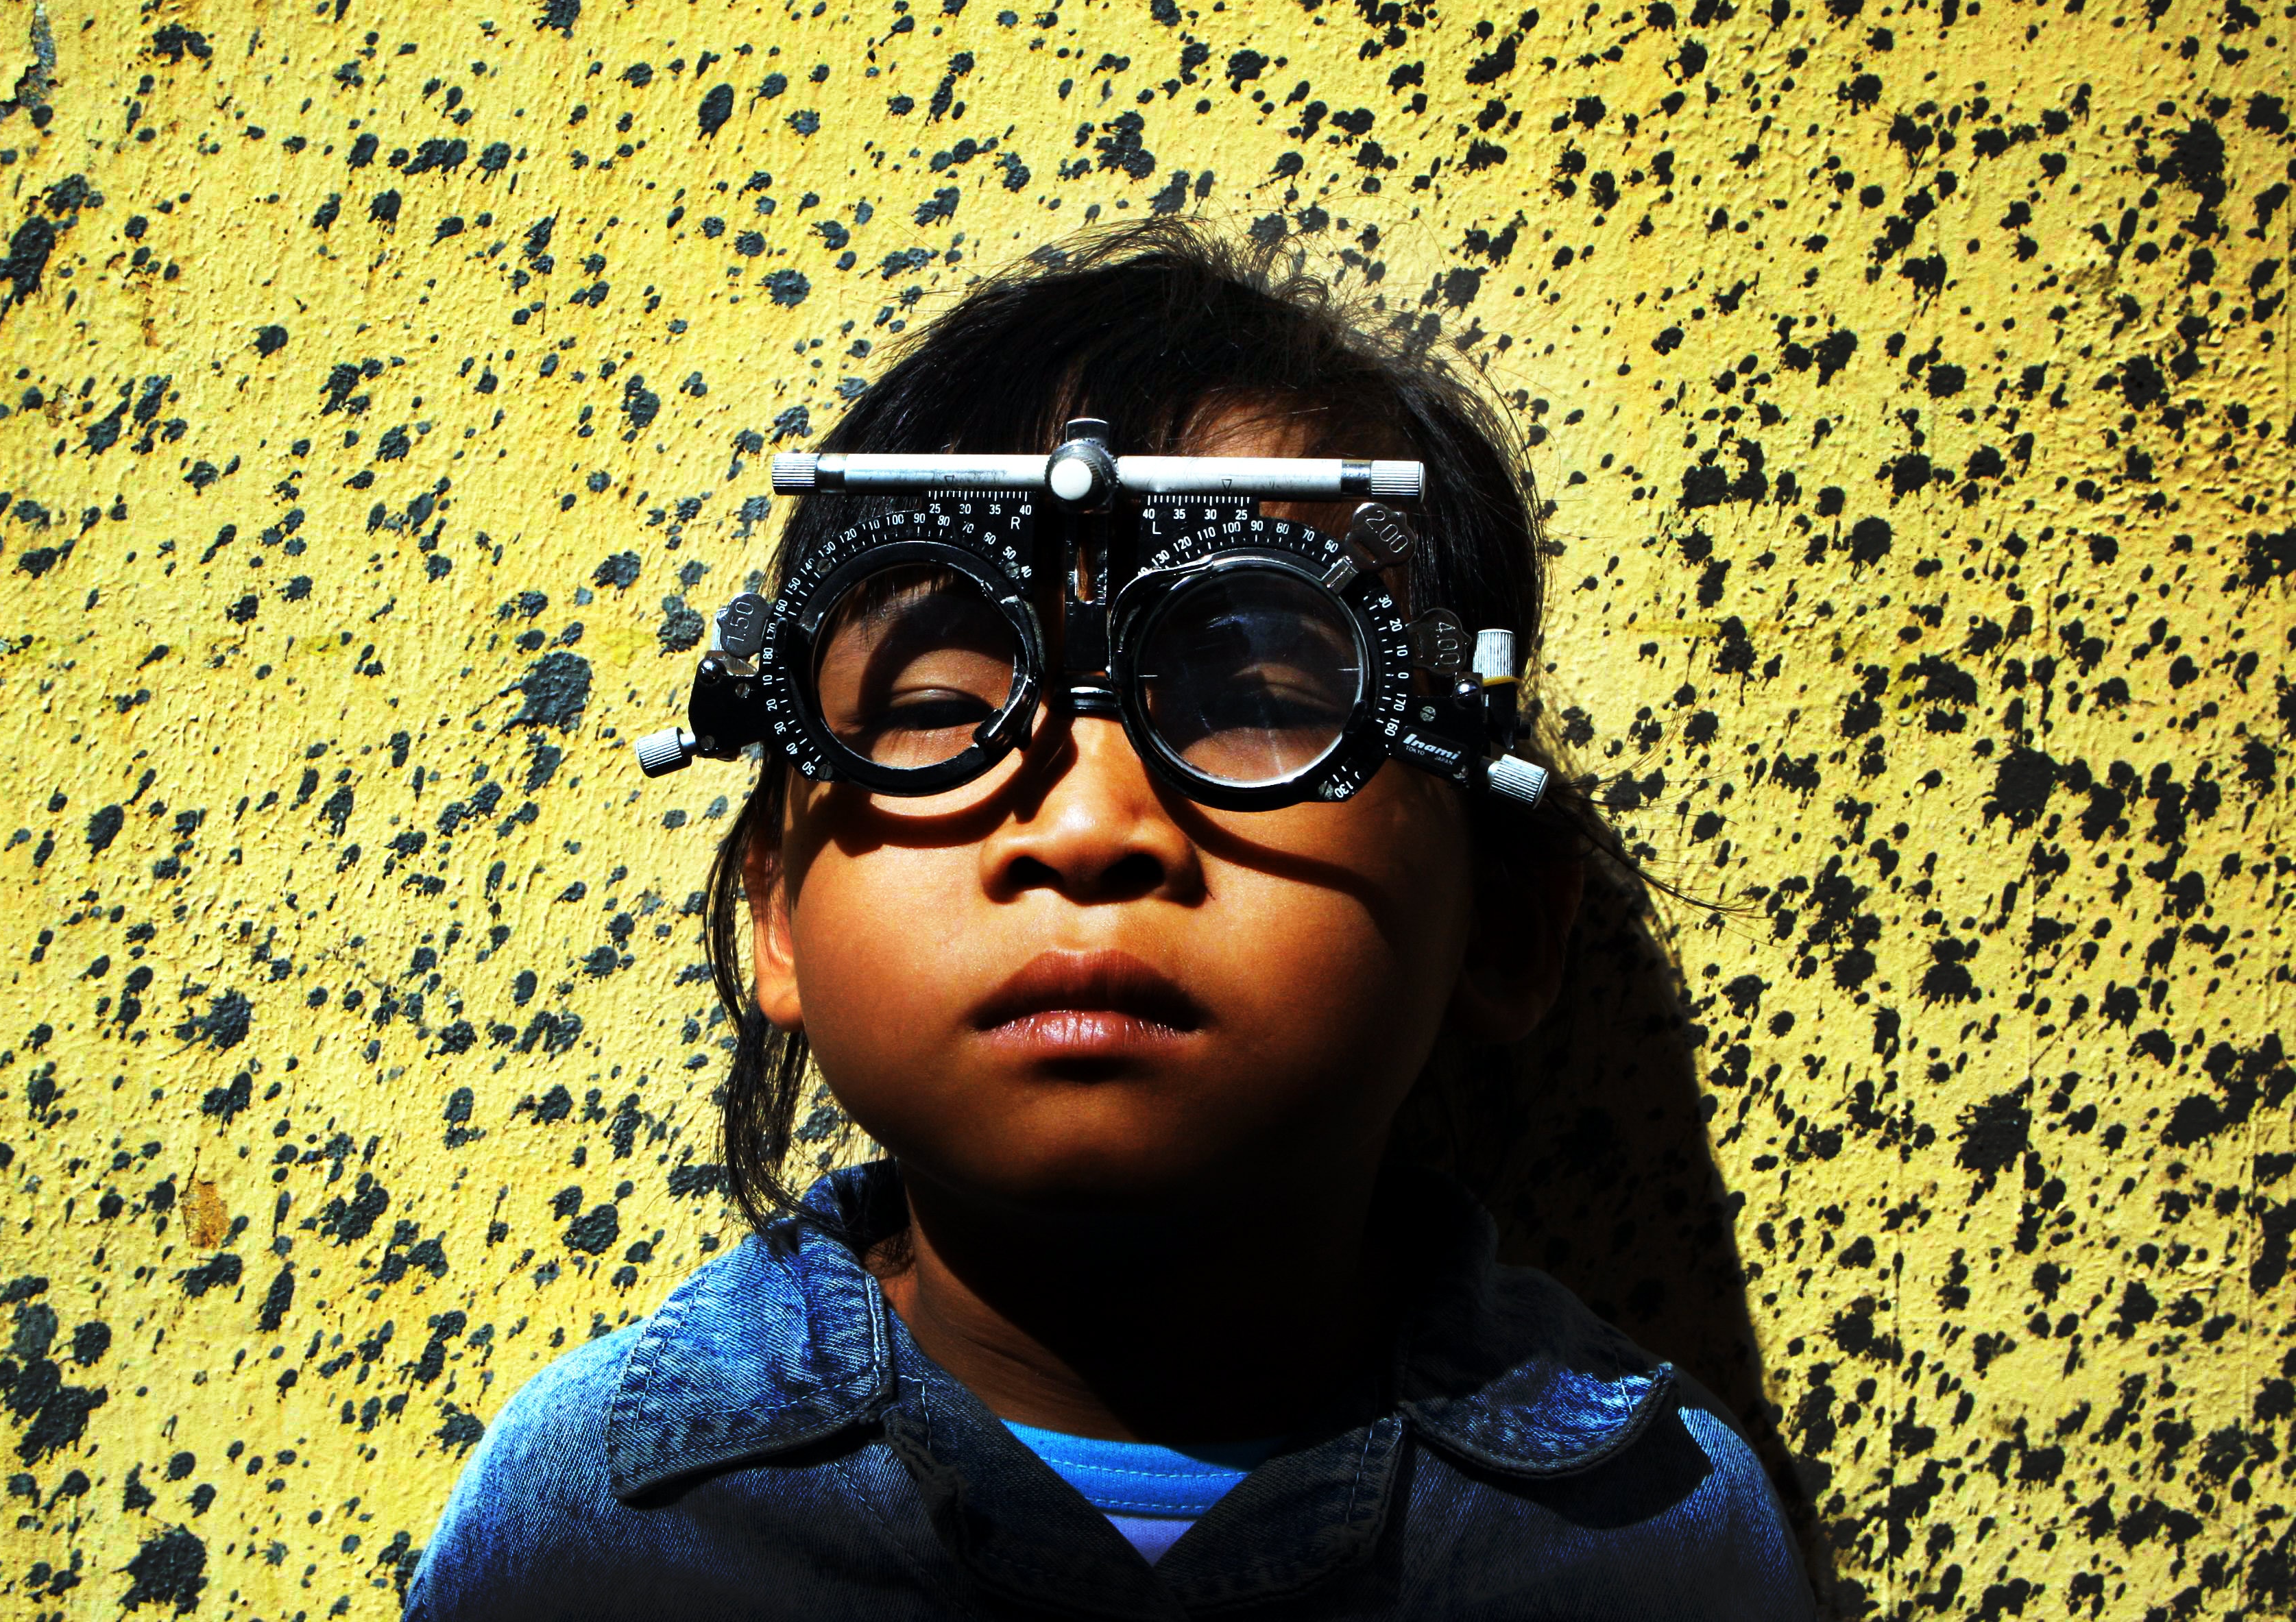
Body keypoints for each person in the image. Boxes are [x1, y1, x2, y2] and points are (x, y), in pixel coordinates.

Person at [404, 222, 1815, 1618]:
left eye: (1258, 704)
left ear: (1502, 928)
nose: (1086, 826)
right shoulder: (599, 1533)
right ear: (774, 910)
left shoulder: (1646, 1542)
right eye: (943, 711)